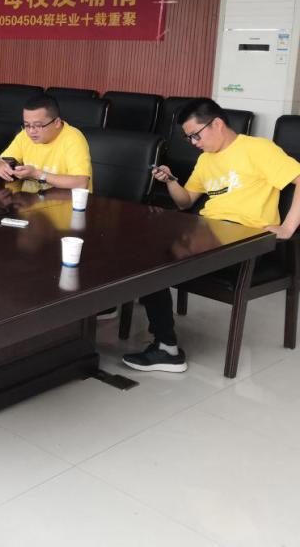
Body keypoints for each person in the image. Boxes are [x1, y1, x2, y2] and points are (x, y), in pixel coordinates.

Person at [124, 98, 300, 373]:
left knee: (151, 259)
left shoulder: (258, 149)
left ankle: (167, 349)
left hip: (242, 236)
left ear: (217, 124)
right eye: (189, 138)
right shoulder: (206, 159)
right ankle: (160, 336)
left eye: (196, 135)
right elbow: (185, 201)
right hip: (208, 230)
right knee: (138, 248)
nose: (193, 143)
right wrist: (170, 180)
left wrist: (288, 228)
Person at [0, 93, 91, 191]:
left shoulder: (73, 138)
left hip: (67, 201)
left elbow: (81, 183)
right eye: (27, 125)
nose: (31, 131)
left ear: (57, 123)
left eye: (38, 125)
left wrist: (37, 174)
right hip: (30, 200)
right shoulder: (25, 135)